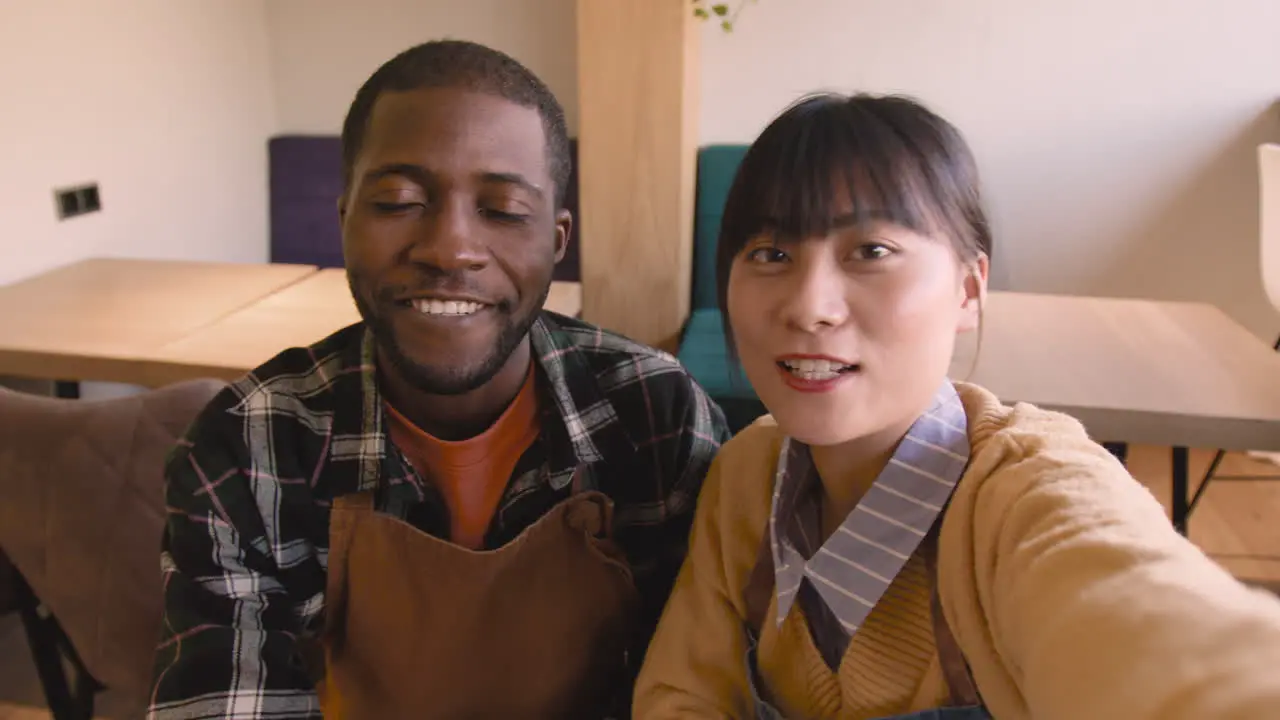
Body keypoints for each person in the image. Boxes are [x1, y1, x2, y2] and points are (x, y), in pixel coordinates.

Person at [632, 92, 1280, 719]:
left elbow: (1143, 623)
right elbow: (681, 694)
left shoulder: (1020, 497)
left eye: (872, 252)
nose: (808, 306)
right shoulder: (745, 476)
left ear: (968, 291)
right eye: (771, 254)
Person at [148, 39, 729, 720]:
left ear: (558, 240)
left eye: (505, 209)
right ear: (345, 222)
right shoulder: (252, 445)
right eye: (398, 201)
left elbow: (702, 682)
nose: (451, 247)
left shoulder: (652, 415)